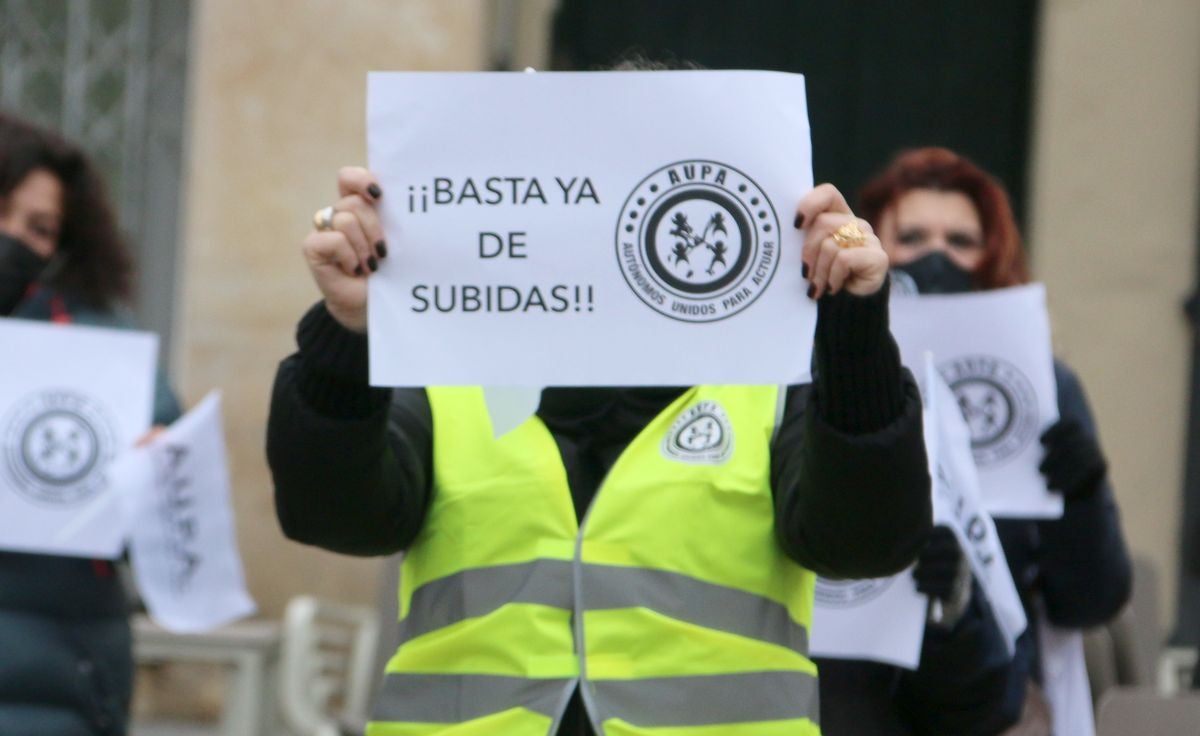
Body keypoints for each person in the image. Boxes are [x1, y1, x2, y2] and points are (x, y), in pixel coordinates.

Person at [267, 158, 932, 735]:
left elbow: (865, 542)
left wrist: (854, 341)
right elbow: (332, 514)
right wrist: (348, 338)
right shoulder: (451, 371)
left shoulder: (770, 381)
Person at [859, 146, 1133, 733]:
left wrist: (1084, 496)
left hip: (994, 702)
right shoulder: (823, 372)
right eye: (912, 236)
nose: (937, 257)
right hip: (854, 694)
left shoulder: (1046, 387)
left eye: (960, 240)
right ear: (873, 245)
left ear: (992, 253)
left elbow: (1091, 600)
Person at [0, 112, 181, 735]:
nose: (13, 239)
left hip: (61, 685)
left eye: (39, 228)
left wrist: (160, 476)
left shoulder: (105, 346)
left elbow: (171, 541)